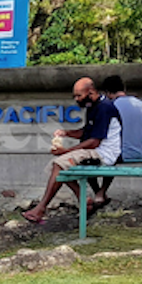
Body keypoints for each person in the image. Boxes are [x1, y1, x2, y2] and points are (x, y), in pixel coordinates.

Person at [22, 77, 121, 223]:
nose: (76, 99)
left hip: (104, 153)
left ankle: (41, 209)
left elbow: (94, 141)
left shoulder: (104, 107)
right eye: (74, 96)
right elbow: (86, 133)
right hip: (96, 149)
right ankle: (84, 199)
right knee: (55, 167)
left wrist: (66, 151)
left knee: (60, 164)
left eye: (79, 95)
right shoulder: (92, 106)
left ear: (91, 91)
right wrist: (66, 132)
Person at [90, 75, 142, 206]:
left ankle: (100, 192)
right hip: (140, 153)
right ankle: (101, 194)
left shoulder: (110, 107)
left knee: (87, 158)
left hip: (120, 154)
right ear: (123, 88)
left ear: (107, 93)